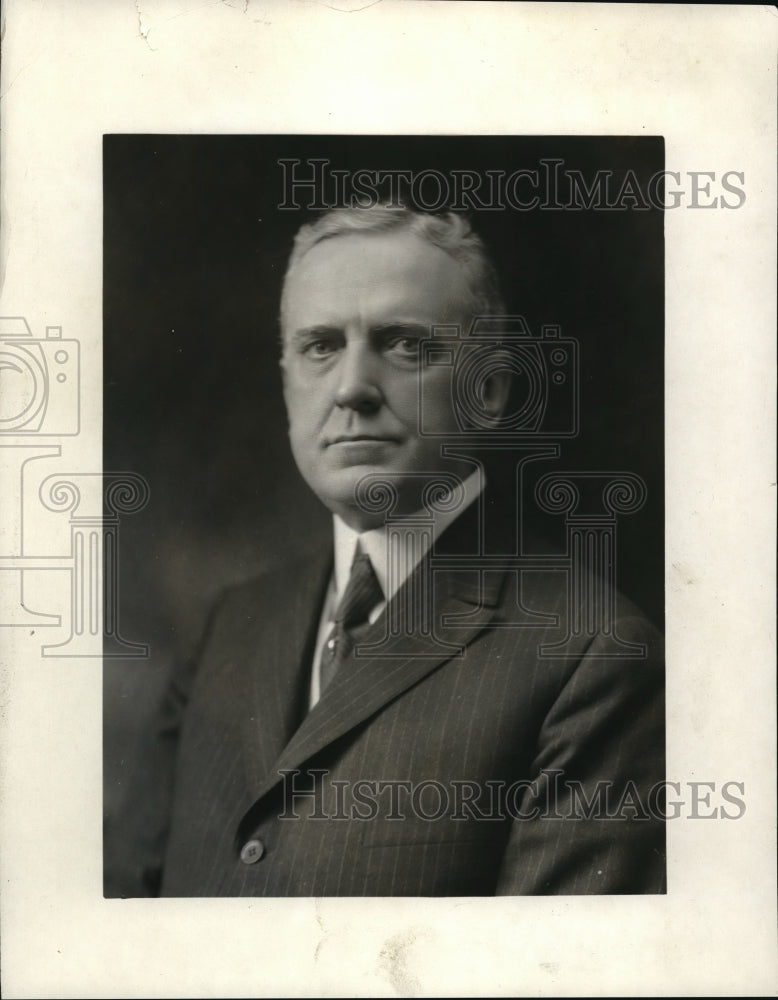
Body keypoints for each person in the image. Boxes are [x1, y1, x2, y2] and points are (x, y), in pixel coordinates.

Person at [150, 205, 664, 896]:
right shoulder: (229, 627)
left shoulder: (592, 658)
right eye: (320, 345)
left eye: (403, 344)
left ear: (493, 386)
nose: (352, 387)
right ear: (286, 379)